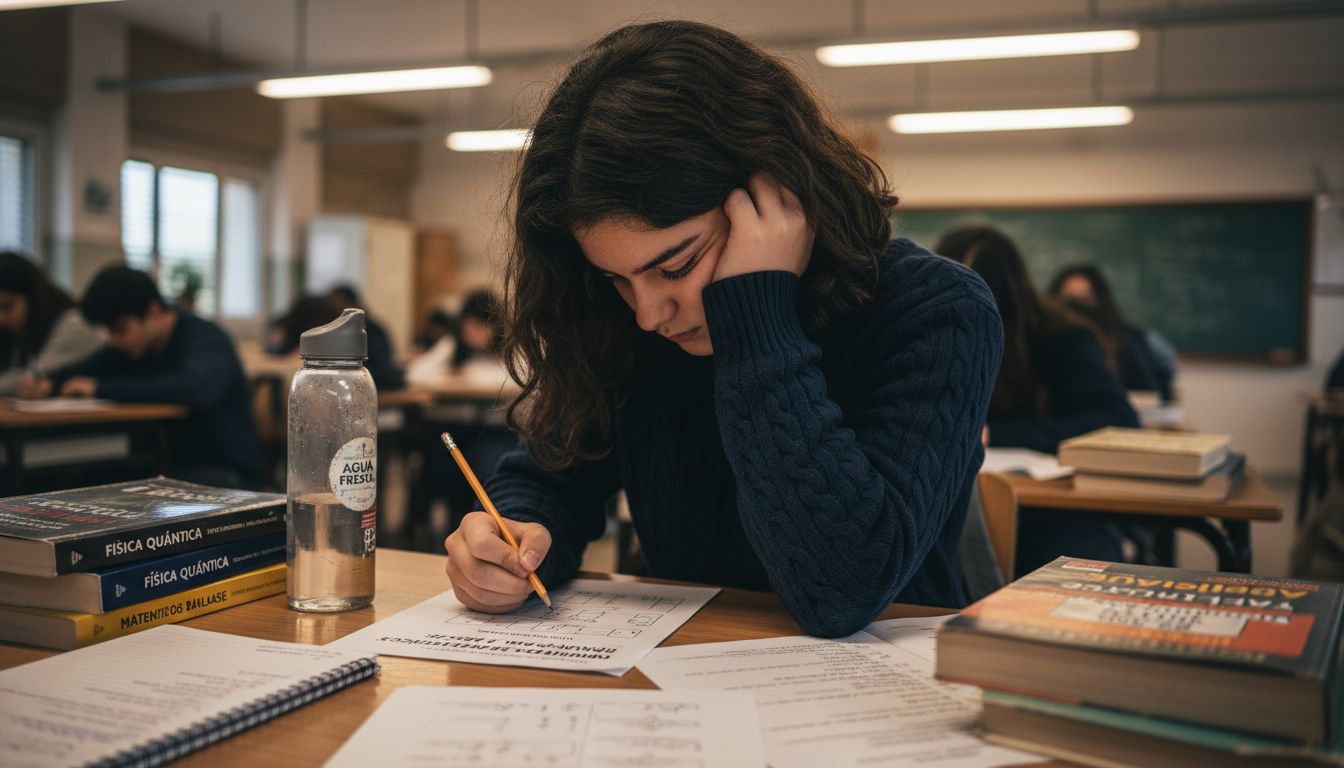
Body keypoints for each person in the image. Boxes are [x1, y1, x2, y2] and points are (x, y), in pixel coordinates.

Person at [442, 20, 1003, 638]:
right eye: (617, 280)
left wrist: (755, 318)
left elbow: (840, 591)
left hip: (883, 691)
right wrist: (514, 533)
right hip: (678, 677)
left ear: (776, 196)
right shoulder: (625, 325)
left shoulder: (938, 311)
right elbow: (550, 475)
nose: (648, 314)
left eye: (676, 266)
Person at [935, 226, 1141, 574]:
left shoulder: (1062, 337)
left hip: (1052, 512)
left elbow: (1116, 420)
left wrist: (996, 434)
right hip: (960, 501)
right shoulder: (938, 333)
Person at [18, 266, 263, 488]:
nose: (113, 340)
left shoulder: (205, 338)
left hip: (225, 472)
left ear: (154, 311)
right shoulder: (129, 347)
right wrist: (47, 382)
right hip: (162, 465)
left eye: (119, 329)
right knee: (61, 481)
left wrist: (100, 389)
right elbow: (81, 371)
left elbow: (194, 389)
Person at [1049, 263, 1177, 403]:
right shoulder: (1049, 338)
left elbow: (1149, 392)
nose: (1076, 309)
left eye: (1085, 299)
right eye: (1069, 299)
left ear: (1100, 301)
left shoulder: (1125, 338)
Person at [0, 251, 102, 395]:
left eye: (7, 306)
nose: (1, 318)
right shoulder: (15, 334)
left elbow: (33, 379)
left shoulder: (75, 325)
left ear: (33, 299)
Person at [327, 284, 404, 390]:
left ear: (352, 304)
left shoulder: (373, 331)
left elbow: (382, 368)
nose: (337, 313)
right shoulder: (335, 332)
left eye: (339, 306)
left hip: (373, 384)